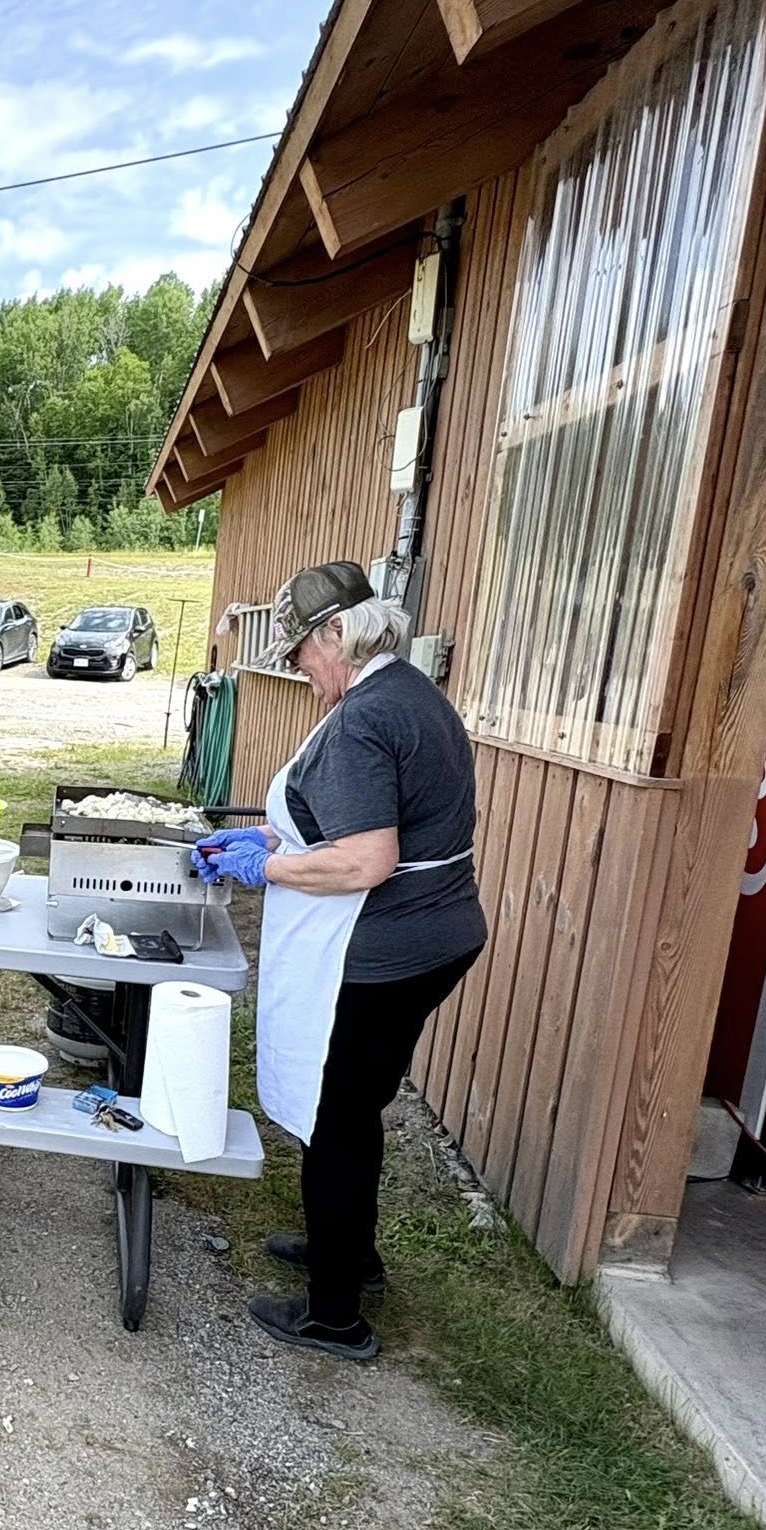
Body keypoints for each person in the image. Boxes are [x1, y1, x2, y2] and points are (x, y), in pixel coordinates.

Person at [194, 561, 485, 1362]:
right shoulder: (406, 693)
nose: (295, 665)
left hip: (387, 946)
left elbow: (365, 860)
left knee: (337, 1120)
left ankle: (334, 1316)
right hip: (438, 935)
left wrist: (267, 868)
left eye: (300, 650)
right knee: (358, 1106)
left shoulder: (363, 719)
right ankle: (349, 1254)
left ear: (338, 633)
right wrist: (269, 838)